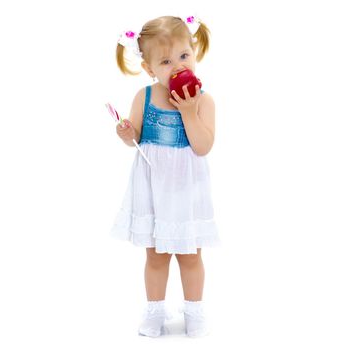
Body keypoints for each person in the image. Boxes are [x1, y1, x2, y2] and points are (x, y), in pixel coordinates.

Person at [110, 15, 220, 337]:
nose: (176, 66)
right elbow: (136, 138)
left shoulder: (204, 101)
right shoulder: (144, 97)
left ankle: (194, 311)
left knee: (190, 255)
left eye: (184, 56)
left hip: (187, 189)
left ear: (194, 53)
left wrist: (188, 111)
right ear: (149, 69)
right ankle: (155, 311)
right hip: (154, 188)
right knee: (156, 256)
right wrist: (126, 131)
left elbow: (203, 146)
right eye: (165, 61)